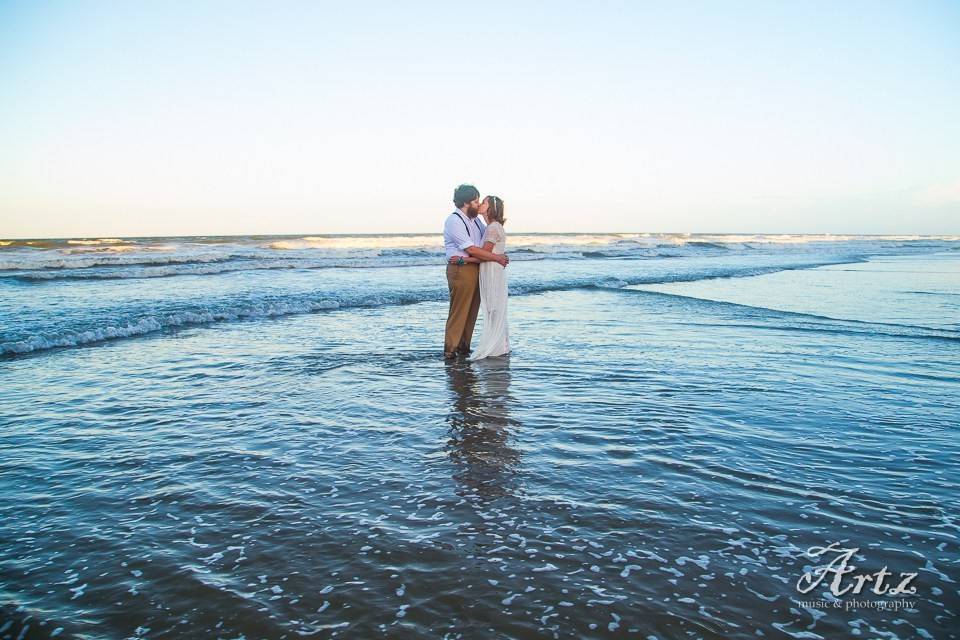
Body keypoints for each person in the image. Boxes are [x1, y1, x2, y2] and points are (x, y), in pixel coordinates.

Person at [443, 184, 508, 360]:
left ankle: (464, 348)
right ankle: (450, 350)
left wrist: (496, 255)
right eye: (475, 201)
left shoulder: (476, 221)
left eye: (480, 201)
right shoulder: (454, 220)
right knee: (460, 310)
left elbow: (487, 246)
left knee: (472, 311)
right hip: (461, 268)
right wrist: (497, 258)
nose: (478, 204)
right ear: (466, 202)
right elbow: (472, 249)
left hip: (478, 267)